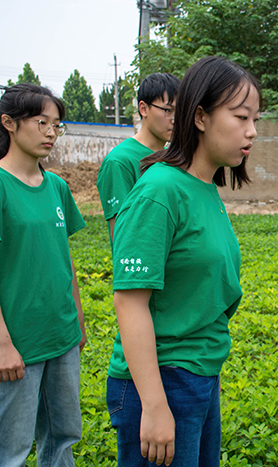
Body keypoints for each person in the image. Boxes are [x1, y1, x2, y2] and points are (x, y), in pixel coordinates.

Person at [105, 56, 260, 467]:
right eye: (241, 116)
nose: (252, 131)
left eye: (255, 118)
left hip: (199, 373)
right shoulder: (159, 191)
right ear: (201, 117)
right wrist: (154, 405)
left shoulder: (204, 188)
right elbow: (130, 301)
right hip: (162, 379)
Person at [0, 83, 87, 466]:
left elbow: (63, 259)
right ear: (9, 123)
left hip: (62, 335)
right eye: (41, 122)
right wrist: (3, 343)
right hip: (19, 341)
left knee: (63, 437)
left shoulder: (57, 187)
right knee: (12, 449)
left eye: (57, 125)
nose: (51, 132)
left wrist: (78, 320)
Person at [97, 72, 180, 239]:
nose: (174, 119)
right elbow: (123, 235)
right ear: (143, 108)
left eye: (179, 112)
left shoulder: (172, 156)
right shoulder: (119, 161)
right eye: (168, 110)